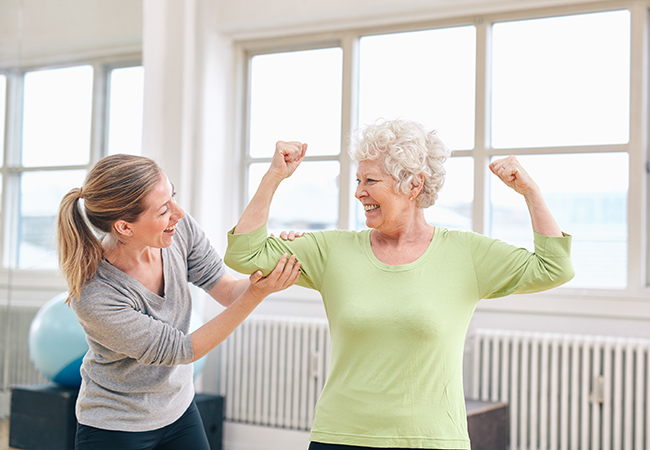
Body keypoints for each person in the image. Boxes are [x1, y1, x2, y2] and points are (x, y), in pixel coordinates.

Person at [224, 118, 575, 450]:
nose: (359, 192)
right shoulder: (332, 250)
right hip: (342, 436)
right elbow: (245, 253)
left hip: (431, 440)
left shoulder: (465, 253)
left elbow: (553, 268)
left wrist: (530, 192)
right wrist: (273, 176)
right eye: (357, 180)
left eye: (370, 180)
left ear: (414, 185)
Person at [56, 154, 301, 450]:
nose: (179, 213)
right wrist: (256, 294)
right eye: (163, 210)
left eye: (172, 196)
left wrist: (278, 265)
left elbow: (227, 291)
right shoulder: (96, 294)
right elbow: (183, 350)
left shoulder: (178, 231)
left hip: (179, 411)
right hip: (116, 426)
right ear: (124, 227)